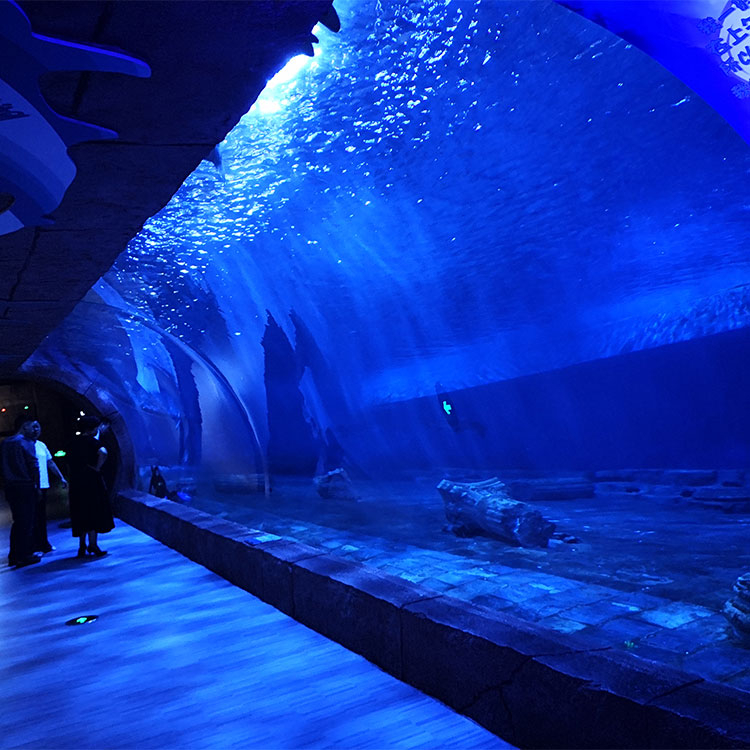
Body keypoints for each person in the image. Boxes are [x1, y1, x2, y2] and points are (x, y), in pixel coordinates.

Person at [67, 415, 114, 558]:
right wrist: (97, 468)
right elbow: (103, 452)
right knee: (93, 510)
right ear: (92, 428)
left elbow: (68, 462)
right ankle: (93, 545)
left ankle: (81, 546)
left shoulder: (73, 442)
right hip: (91, 480)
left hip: (76, 481)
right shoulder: (92, 442)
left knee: (80, 511)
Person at [1, 415, 41, 567]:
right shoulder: (26, 442)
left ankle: (14, 555)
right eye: (32, 426)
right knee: (27, 521)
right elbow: (33, 465)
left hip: (11, 486)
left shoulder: (5, 443)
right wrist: (37, 486)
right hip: (25, 485)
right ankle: (25, 555)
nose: (34, 429)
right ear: (25, 426)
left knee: (18, 521)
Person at [28, 421, 67, 554]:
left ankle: (43, 543)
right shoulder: (24, 444)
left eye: (37, 427)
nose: (35, 430)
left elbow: (50, 462)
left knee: (41, 516)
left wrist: (61, 476)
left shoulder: (41, 445)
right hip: (31, 486)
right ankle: (32, 545)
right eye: (32, 427)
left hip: (43, 484)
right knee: (32, 517)